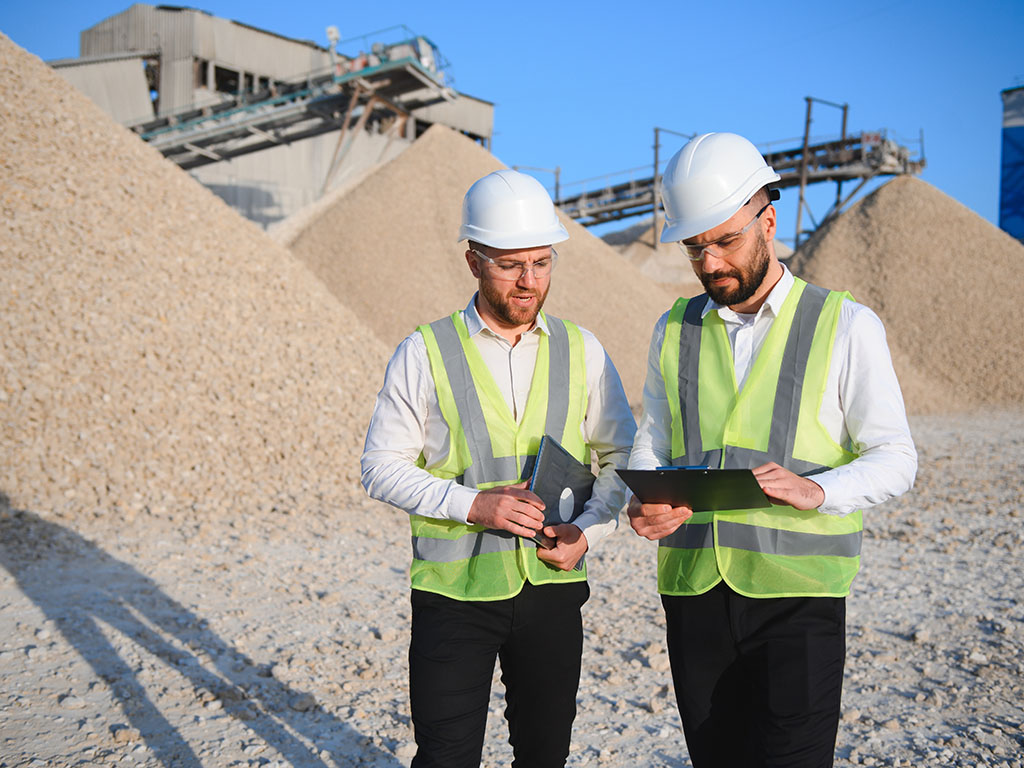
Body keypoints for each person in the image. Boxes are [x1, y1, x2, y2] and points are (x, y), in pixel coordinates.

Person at [627, 132, 917, 768]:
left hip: (798, 596)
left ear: (769, 221)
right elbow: (652, 441)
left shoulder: (845, 324)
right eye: (694, 247)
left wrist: (820, 491)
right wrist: (645, 500)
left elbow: (896, 456)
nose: (709, 264)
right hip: (694, 591)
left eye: (726, 241)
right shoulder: (673, 327)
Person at [361, 169, 636, 768]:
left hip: (553, 589)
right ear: (473, 262)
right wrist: (473, 504)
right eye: (511, 265)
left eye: (542, 262)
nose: (529, 281)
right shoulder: (424, 351)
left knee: (544, 756)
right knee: (445, 757)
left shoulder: (582, 349)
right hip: (454, 594)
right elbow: (379, 467)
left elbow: (623, 460)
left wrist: (588, 532)